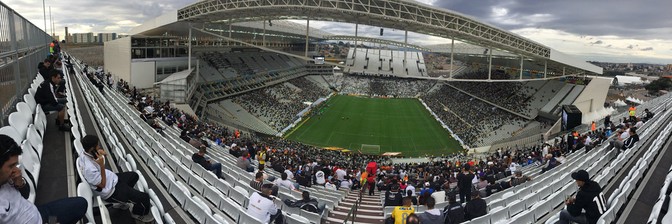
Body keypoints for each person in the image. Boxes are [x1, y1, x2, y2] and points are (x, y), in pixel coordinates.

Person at [0, 134, 87, 224]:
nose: (16, 169)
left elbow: (25, 195)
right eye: (11, 166)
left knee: (81, 204)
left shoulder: (7, 177)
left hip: (38, 212)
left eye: (16, 164)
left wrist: (19, 182)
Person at [78, 135, 153, 222]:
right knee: (144, 198)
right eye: (97, 146)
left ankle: (123, 200)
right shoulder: (89, 169)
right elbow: (102, 184)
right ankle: (137, 213)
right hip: (111, 191)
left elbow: (93, 153)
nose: (99, 147)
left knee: (134, 176)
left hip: (112, 179)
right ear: (92, 149)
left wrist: (98, 151)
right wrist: (102, 166)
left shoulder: (84, 152)